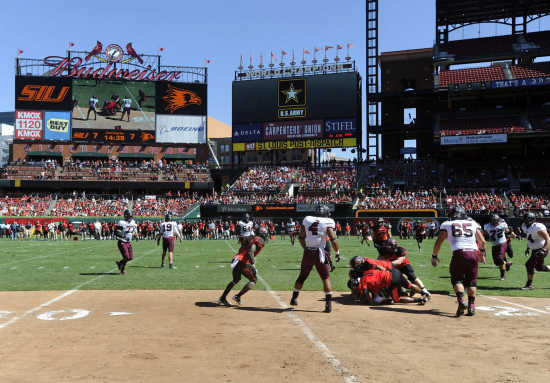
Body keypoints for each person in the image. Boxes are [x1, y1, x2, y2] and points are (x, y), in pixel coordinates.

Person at [432, 206, 486, 317]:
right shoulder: (473, 223)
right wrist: (481, 255)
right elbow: (483, 241)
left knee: (457, 279)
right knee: (472, 281)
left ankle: (461, 301)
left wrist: (434, 255)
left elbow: (439, 241)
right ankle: (471, 307)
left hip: (459, 253)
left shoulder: (447, 224)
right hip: (473, 253)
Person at [290, 205, 340, 313]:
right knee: (325, 278)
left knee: (302, 276)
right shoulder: (328, 221)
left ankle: (294, 298)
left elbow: (301, 237)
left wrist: (306, 248)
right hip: (321, 252)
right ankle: (328, 305)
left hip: (309, 251)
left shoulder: (307, 219)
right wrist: (337, 252)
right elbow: (333, 239)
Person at [218, 226, 269, 306]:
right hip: (243, 261)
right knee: (253, 280)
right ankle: (237, 296)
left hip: (236, 259)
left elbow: (242, 242)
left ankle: (222, 298)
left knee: (236, 279)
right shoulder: (259, 240)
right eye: (265, 234)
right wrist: (252, 262)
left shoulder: (251, 237)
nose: (266, 236)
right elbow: (251, 251)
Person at [348, 256, 430, 305]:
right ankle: (424, 293)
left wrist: (371, 302)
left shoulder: (368, 267)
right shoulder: (366, 269)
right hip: (392, 272)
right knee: (408, 285)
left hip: (388, 270)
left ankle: (419, 299)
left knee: (396, 298)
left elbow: (368, 293)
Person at [520, 212, 550, 290]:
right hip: (535, 250)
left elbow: (548, 239)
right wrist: (528, 248)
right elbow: (530, 238)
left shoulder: (537, 227)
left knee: (529, 265)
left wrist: (544, 249)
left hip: (541, 249)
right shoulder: (524, 226)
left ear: (532, 220)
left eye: (527, 220)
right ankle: (529, 285)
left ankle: (529, 285)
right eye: (525, 219)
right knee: (540, 268)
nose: (525, 221)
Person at [483, 214, 513, 281]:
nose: (495, 222)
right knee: (497, 263)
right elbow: (486, 236)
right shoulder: (487, 226)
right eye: (493, 221)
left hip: (502, 243)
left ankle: (503, 275)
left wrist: (509, 231)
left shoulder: (503, 224)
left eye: (496, 221)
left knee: (499, 259)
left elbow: (507, 231)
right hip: (494, 245)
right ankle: (507, 263)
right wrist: (488, 239)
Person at [114, 209, 137, 275]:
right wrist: (124, 236)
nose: (131, 218)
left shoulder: (133, 222)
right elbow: (116, 232)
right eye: (129, 216)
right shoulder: (121, 222)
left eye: (131, 216)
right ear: (126, 216)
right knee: (126, 257)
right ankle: (122, 270)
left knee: (130, 257)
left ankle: (120, 263)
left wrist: (135, 234)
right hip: (122, 242)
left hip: (128, 242)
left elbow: (133, 230)